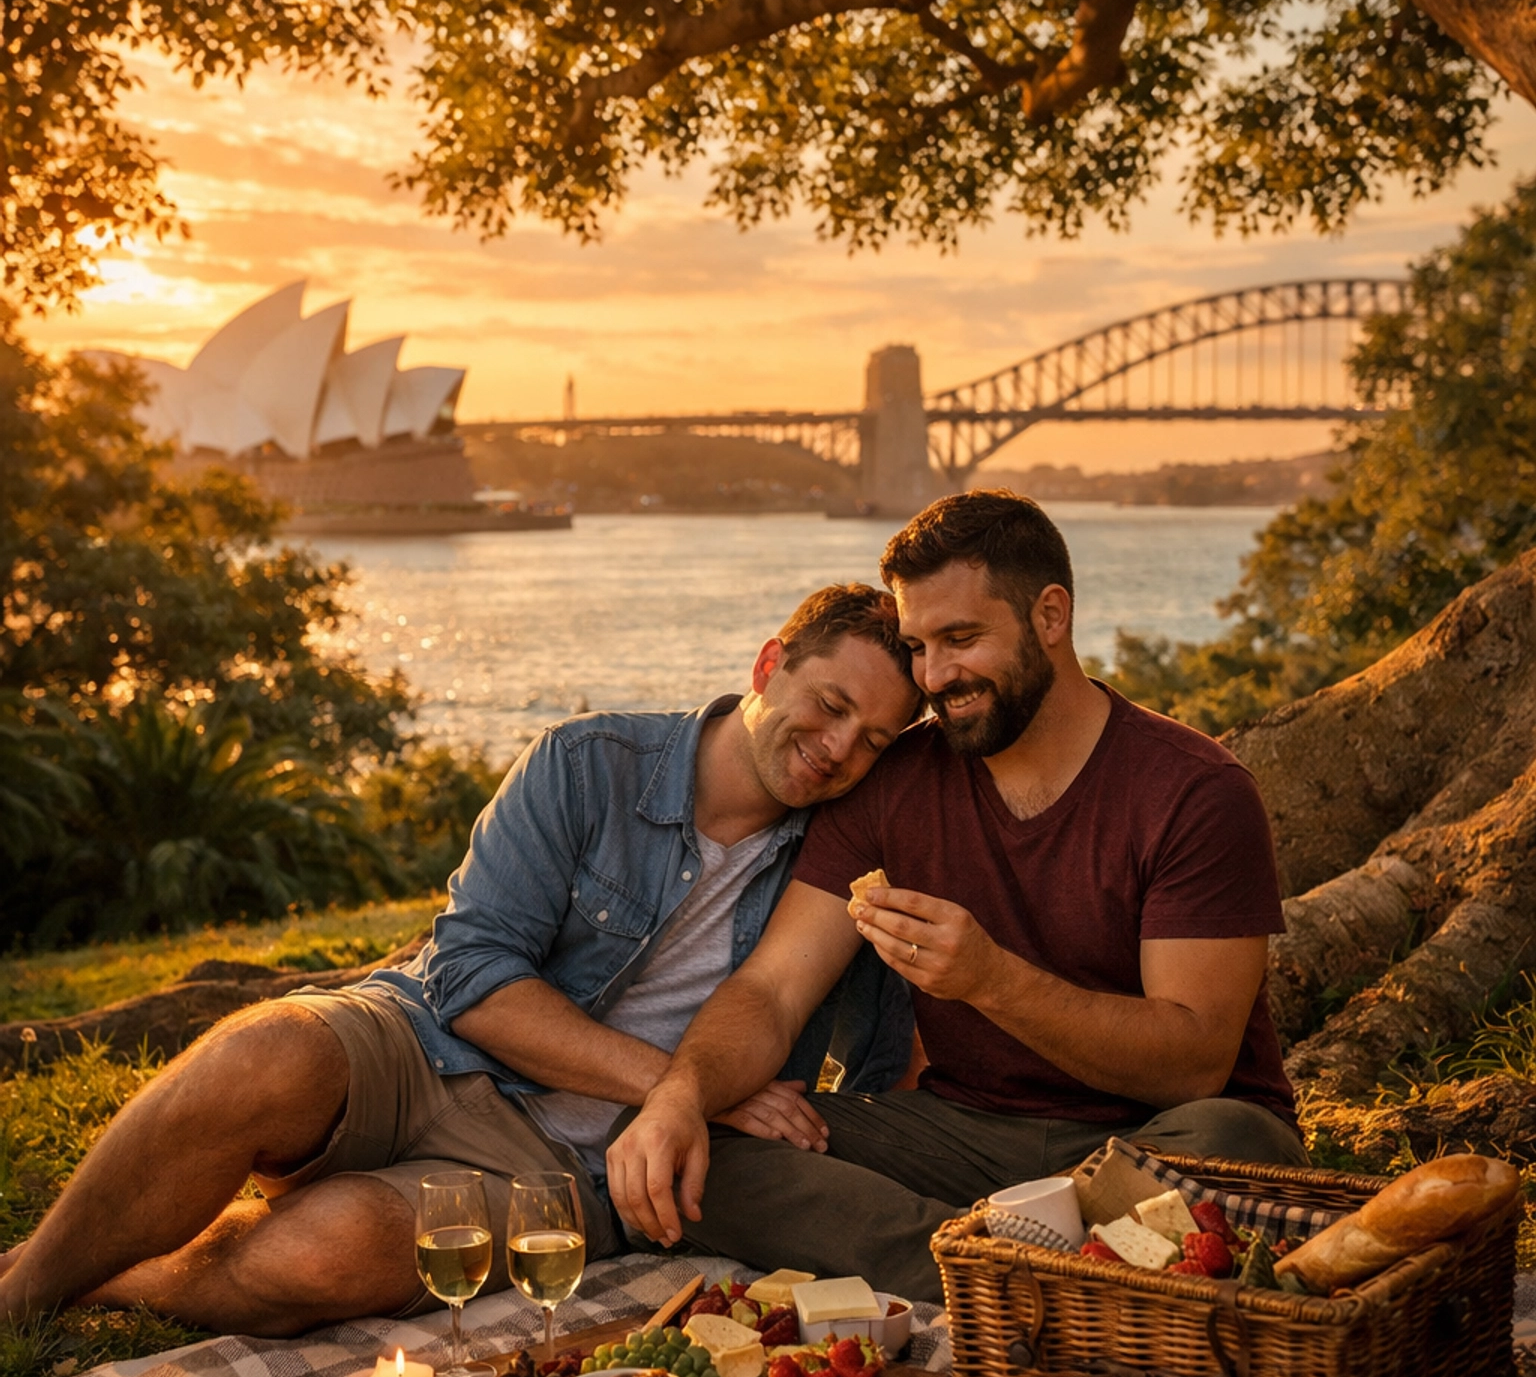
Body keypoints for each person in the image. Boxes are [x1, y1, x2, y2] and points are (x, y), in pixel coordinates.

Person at [0, 585, 920, 1334]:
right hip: (430, 1044)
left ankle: (115, 1279)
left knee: (328, 1253)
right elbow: (473, 976)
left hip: (576, 1170)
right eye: (830, 705)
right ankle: (23, 1290)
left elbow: (882, 1064)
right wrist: (684, 1089)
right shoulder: (588, 763)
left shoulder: (840, 862)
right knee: (264, 1052)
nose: (839, 748)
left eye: (874, 739)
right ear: (768, 665)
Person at [606, 491, 1307, 1302]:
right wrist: (681, 1095)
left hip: (1155, 1137)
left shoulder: (1194, 791)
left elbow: (1193, 1067)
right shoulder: (893, 782)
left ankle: (984, 1260)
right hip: (964, 1136)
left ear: (1050, 616)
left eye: (962, 639)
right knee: (687, 1146)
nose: (936, 677)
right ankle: (1021, 1267)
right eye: (918, 646)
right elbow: (772, 989)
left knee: (1237, 1139)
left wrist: (990, 980)